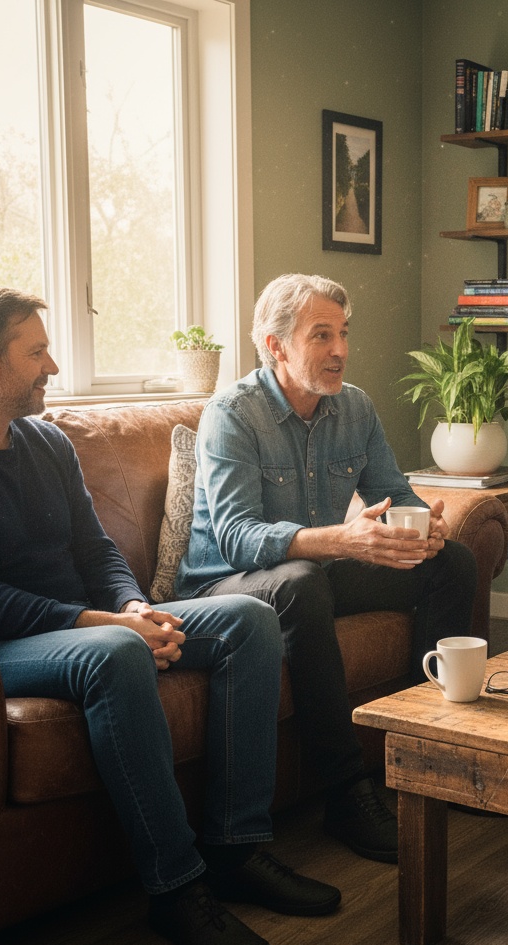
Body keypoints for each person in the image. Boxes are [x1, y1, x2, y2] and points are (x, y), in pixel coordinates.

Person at [0, 286, 343, 945]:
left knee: (248, 618)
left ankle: (238, 849)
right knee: (117, 655)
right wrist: (102, 624)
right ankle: (176, 889)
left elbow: (96, 552)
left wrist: (129, 607)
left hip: (91, 625)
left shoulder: (45, 442)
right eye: (36, 352)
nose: (53, 366)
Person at [175, 273, 478, 864]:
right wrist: (343, 539)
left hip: (314, 572)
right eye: (321, 336)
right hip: (227, 586)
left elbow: (394, 493)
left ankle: (426, 757)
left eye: (342, 334)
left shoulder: (354, 406)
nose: (340, 350)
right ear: (275, 345)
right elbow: (237, 538)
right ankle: (346, 795)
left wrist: (426, 525)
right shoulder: (232, 414)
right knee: (303, 581)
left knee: (452, 563)